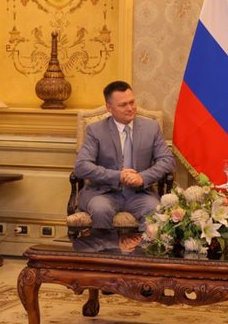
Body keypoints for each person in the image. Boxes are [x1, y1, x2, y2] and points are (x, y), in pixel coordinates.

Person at [73, 80, 174, 230]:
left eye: (132, 102)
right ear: (109, 108)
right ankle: (105, 246)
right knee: (100, 210)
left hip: (139, 194)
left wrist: (142, 177)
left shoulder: (151, 128)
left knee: (154, 210)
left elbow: (167, 161)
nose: (130, 108)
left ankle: (142, 246)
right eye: (123, 105)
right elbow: (81, 166)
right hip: (103, 193)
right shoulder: (95, 130)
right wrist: (118, 176)